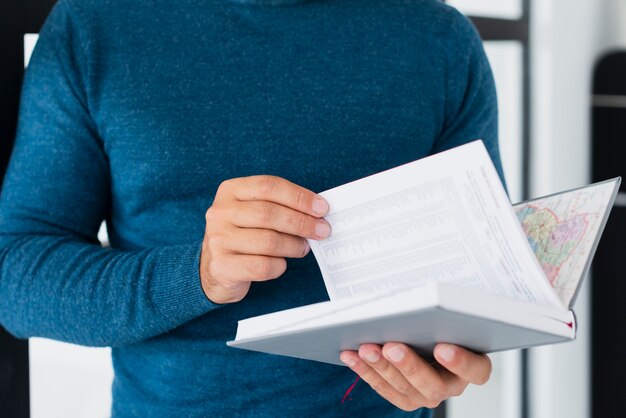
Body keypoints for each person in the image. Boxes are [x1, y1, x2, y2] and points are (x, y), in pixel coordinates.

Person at [0, 0, 502, 416]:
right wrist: (197, 274)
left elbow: (481, 277)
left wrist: (449, 362)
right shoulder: (93, 27)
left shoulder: (440, 41)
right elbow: (15, 276)